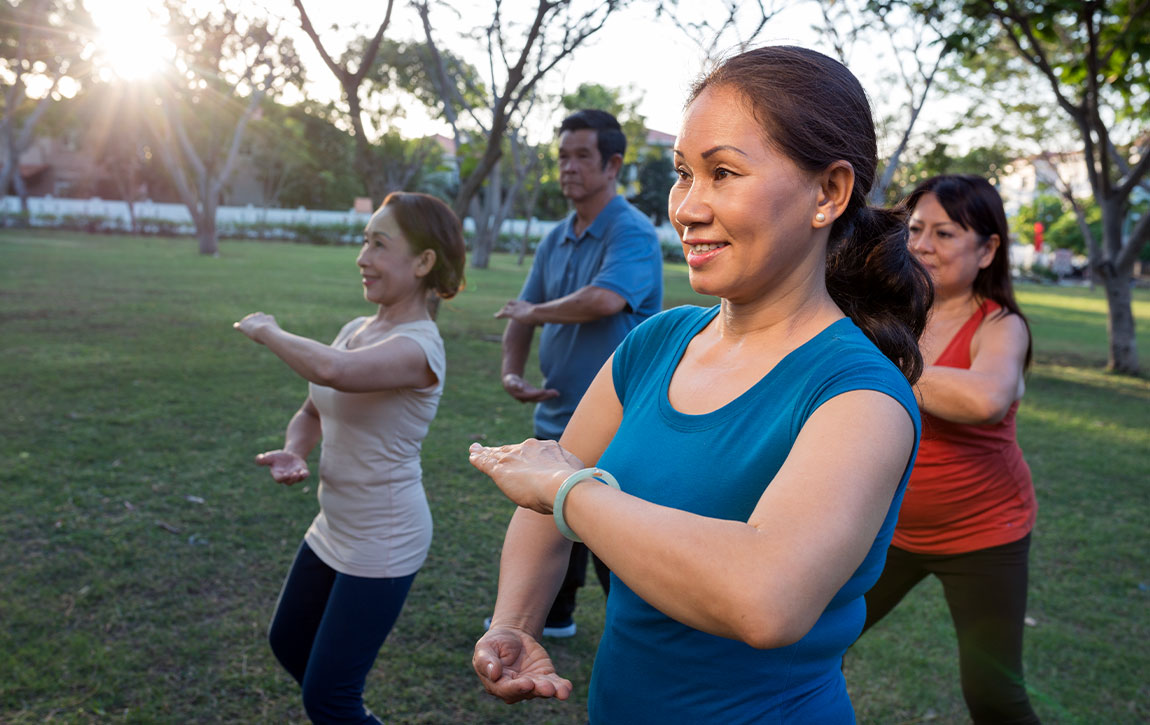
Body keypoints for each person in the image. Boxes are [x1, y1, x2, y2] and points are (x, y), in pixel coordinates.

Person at [467, 45, 933, 722]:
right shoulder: (657, 342)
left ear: (828, 193)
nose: (686, 207)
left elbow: (766, 598)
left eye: (723, 173)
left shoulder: (860, 395)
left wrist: (570, 489)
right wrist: (514, 620)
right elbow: (542, 511)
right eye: (684, 174)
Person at [234, 192, 465, 724]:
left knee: (329, 698)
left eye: (379, 245)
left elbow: (334, 373)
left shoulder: (420, 348)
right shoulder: (356, 331)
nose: (362, 257)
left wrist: (268, 330)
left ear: (423, 262)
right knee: (289, 642)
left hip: (384, 539)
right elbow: (313, 410)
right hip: (333, 525)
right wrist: (295, 452)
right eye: (364, 241)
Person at [860, 174, 1040, 724]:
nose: (921, 246)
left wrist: (886, 363)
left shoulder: (1001, 325)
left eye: (944, 233)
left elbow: (986, 398)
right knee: (806, 640)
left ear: (987, 250)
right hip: (889, 529)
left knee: (993, 695)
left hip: (985, 535)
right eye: (915, 230)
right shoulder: (889, 311)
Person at [492, 108, 663, 637]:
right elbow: (523, 311)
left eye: (581, 156)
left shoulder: (631, 231)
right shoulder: (556, 236)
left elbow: (606, 299)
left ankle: (637, 631)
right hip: (557, 413)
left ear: (612, 165)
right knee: (548, 518)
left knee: (613, 532)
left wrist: (534, 313)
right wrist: (512, 371)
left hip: (621, 422)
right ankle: (556, 617)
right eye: (563, 157)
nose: (568, 167)